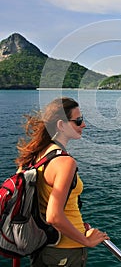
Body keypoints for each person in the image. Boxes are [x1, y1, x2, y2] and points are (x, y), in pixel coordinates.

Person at [15, 97, 109, 267]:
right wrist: (86, 241)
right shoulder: (65, 162)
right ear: (61, 125)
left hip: (43, 247)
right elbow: (54, 216)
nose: (83, 125)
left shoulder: (36, 155)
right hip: (65, 251)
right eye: (78, 121)